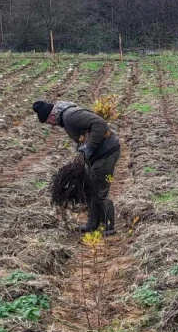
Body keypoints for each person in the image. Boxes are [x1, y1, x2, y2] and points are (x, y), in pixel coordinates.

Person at [33, 99, 120, 234]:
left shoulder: (70, 116)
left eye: (49, 122)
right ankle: (92, 224)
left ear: (51, 115)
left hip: (106, 154)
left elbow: (99, 123)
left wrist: (89, 147)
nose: (52, 125)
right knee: (90, 188)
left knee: (100, 191)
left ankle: (109, 227)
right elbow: (84, 134)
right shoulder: (67, 117)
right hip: (97, 156)